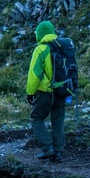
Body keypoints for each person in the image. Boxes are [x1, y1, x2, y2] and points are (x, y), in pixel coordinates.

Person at [27, 20, 66, 162]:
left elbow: (34, 75)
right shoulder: (62, 46)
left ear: (40, 35)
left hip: (45, 91)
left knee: (36, 118)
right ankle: (58, 152)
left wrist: (30, 92)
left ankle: (47, 148)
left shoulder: (40, 49)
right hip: (62, 89)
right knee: (58, 120)